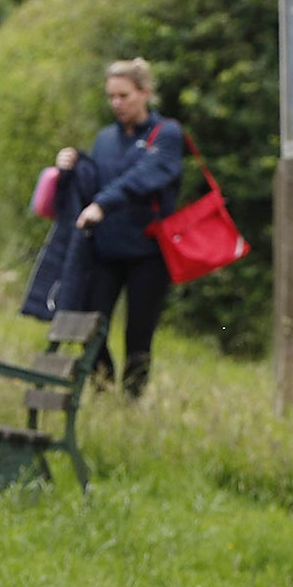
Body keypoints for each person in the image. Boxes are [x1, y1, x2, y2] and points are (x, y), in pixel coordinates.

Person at [54, 58, 183, 397]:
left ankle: (131, 402)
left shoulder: (166, 135)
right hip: (105, 251)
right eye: (111, 96)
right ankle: (103, 388)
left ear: (144, 93)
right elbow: (93, 182)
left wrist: (102, 204)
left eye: (124, 95)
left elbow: (142, 178)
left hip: (148, 253)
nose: (117, 104)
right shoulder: (105, 139)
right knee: (90, 327)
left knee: (138, 336)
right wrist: (73, 165)